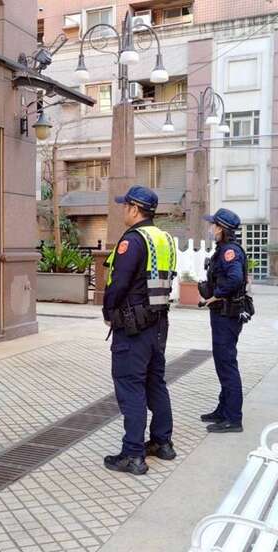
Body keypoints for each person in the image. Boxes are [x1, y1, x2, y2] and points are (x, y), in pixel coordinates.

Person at [101, 185, 178, 476]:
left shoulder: (132, 241)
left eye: (125, 206)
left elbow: (118, 284)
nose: (123, 210)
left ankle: (133, 455)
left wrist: (108, 312)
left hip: (133, 327)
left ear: (134, 209)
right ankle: (162, 442)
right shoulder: (164, 239)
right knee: (155, 382)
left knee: (131, 385)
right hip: (158, 324)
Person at [199, 208, 249, 434]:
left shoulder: (229, 251)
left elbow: (236, 278)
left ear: (221, 228)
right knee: (223, 362)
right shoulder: (224, 249)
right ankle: (223, 410)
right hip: (223, 314)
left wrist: (216, 295)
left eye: (214, 225)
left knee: (227, 364)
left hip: (226, 315)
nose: (211, 228)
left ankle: (233, 418)